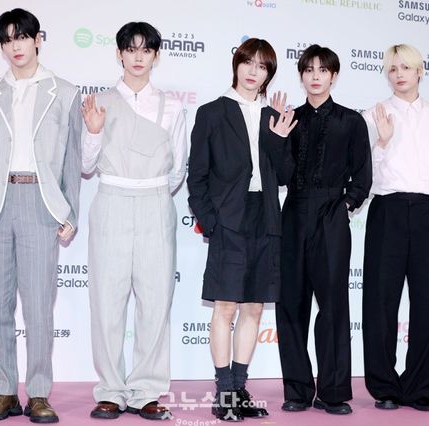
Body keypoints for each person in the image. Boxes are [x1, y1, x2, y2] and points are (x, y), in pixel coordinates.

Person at [0, 8, 81, 424]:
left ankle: (39, 394)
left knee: (39, 306)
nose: (15, 46)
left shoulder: (65, 92)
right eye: (7, 40)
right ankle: (4, 391)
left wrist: (70, 212)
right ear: (1, 47)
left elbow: (73, 161)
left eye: (22, 37)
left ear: (37, 39)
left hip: (40, 202)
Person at [81, 22, 187, 421]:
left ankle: (147, 391)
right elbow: (85, 164)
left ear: (156, 56)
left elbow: (177, 169)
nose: (138, 57)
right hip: (111, 200)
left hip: (155, 203)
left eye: (146, 50)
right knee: (107, 301)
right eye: (131, 49)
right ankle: (110, 390)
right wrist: (93, 133)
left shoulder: (172, 107)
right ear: (119, 54)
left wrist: (151, 189)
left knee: (155, 301)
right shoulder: (100, 102)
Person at [187, 38, 297, 422]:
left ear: (269, 74)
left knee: (253, 307)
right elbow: (196, 176)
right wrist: (211, 221)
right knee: (225, 306)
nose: (253, 71)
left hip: (265, 218)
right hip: (228, 220)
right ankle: (224, 391)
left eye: (262, 66)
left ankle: (239, 387)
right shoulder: (212, 112)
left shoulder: (274, 116)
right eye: (248, 62)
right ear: (236, 65)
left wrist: (280, 139)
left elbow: (286, 176)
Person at [361, 44, 429, 412]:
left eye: (405, 67)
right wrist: (382, 142)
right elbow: (362, 170)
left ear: (420, 71)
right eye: (392, 68)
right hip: (387, 208)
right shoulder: (373, 115)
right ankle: (384, 387)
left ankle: (420, 388)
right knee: (379, 302)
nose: (399, 74)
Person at [275, 45, 372, 416]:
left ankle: (332, 392)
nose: (315, 76)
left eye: (323, 70)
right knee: (291, 304)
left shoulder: (351, 121)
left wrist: (345, 206)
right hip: (293, 214)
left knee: (332, 306)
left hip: (332, 215)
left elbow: (362, 174)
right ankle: (297, 390)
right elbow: (281, 175)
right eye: (309, 70)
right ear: (301, 76)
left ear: (334, 76)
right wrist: (279, 138)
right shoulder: (290, 119)